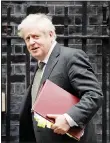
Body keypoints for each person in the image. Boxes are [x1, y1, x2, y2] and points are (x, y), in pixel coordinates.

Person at [18, 13, 103, 143]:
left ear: (51, 35)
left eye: (36, 36)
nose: (31, 42)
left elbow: (94, 95)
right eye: (27, 38)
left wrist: (68, 118)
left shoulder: (70, 57)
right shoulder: (41, 66)